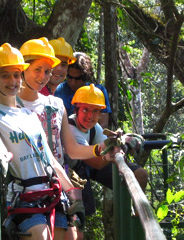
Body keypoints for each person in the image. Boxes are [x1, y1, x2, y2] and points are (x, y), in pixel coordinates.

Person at [0, 43, 84, 240]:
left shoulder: (29, 114)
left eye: (16, 74)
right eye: (5, 75)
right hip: (25, 199)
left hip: (51, 193)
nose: (13, 81)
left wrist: (72, 192)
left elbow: (49, 159)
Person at [16, 37, 118, 240]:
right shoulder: (14, 104)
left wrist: (103, 148)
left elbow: (69, 148)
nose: (47, 74)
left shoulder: (55, 103)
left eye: (48, 69)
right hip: (26, 188)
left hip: (58, 182)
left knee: (73, 235)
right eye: (39, 69)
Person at [67, 84, 148, 240]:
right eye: (85, 110)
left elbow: (104, 149)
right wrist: (113, 146)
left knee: (139, 174)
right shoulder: (70, 128)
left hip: (88, 167)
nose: (90, 116)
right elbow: (96, 162)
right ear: (76, 109)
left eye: (95, 111)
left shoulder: (93, 127)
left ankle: (138, 221)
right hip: (71, 174)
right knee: (78, 227)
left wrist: (121, 142)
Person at [54, 52, 111, 128]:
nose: (73, 82)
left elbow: (104, 124)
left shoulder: (98, 92)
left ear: (85, 77)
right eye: (70, 77)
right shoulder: (59, 90)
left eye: (77, 79)